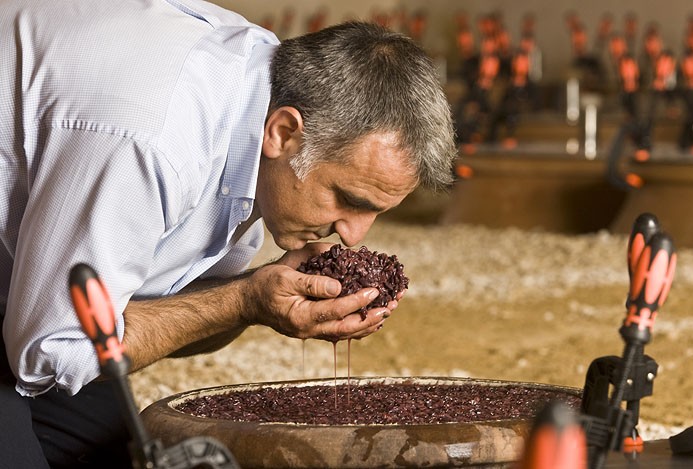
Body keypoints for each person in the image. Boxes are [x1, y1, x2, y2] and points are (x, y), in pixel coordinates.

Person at [0, 0, 457, 467]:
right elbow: (54, 352)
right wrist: (243, 300)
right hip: (40, 322)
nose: (354, 235)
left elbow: (163, 313)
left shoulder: (264, 100)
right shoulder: (156, 139)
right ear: (283, 133)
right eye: (348, 198)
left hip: (33, 293)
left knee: (116, 454)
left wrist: (254, 300)